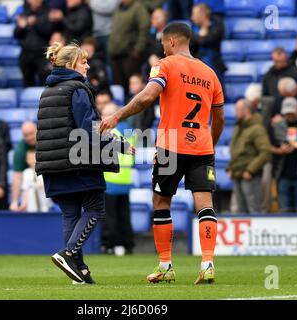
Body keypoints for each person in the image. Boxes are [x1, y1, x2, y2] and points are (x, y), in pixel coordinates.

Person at [100, 22, 225, 284]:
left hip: (170, 146)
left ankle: (166, 266)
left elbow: (147, 97)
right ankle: (208, 263)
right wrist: (209, 143)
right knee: (204, 204)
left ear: (170, 42)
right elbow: (220, 118)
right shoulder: (210, 73)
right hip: (202, 146)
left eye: (163, 45)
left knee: (161, 202)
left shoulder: (165, 65)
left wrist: (118, 115)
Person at [37, 42, 134, 284]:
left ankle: (78, 269)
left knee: (70, 214)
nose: (88, 65)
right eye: (84, 62)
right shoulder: (78, 89)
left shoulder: (47, 91)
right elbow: (88, 129)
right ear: (71, 65)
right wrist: (118, 145)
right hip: (77, 162)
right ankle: (69, 254)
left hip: (52, 164)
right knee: (95, 208)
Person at [100, 102, 135, 256]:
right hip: (125, 181)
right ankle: (127, 245)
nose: (102, 117)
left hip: (110, 180)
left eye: (105, 114)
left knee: (110, 217)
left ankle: (110, 245)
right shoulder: (129, 132)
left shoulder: (107, 133)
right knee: (124, 215)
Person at [227, 99, 272, 214]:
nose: (235, 112)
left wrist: (250, 170)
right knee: (240, 211)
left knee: (254, 210)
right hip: (237, 174)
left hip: (250, 177)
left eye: (237, 109)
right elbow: (235, 151)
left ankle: (256, 232)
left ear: (245, 110)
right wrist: (230, 168)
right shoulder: (238, 127)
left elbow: (266, 152)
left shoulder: (257, 129)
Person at [271, 98, 297, 213]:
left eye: (292, 112)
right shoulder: (277, 126)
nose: (289, 115)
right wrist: (280, 150)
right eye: (287, 113)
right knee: (284, 212)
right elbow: (269, 145)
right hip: (283, 175)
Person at [107, 0, 150, 93]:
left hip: (130, 55)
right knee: (118, 88)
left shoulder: (138, 8)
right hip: (115, 54)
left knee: (133, 87)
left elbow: (144, 29)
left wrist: (137, 50)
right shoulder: (119, 8)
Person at [14, 0, 54, 87]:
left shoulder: (47, 13)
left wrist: (36, 22)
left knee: (45, 83)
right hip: (26, 54)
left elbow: (49, 31)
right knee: (27, 83)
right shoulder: (24, 14)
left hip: (42, 55)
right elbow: (16, 35)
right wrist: (21, 27)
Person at [190, 3, 227, 85]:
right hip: (196, 68)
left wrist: (200, 35)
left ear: (202, 15)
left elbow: (206, 41)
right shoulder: (193, 29)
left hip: (214, 66)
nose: (192, 17)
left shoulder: (217, 27)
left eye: (194, 14)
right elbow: (191, 45)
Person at [10, 121, 37, 211]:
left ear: (37, 130)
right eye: (26, 135)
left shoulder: (46, 141)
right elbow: (17, 177)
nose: (29, 137)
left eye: (31, 134)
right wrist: (14, 201)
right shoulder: (20, 149)